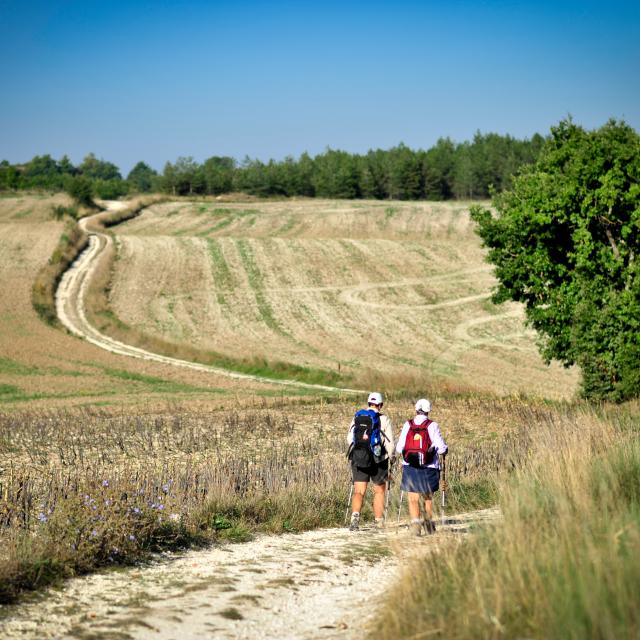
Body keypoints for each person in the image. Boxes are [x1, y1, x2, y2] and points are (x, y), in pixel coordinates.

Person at [396, 398, 448, 536]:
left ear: (416, 409)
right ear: (428, 411)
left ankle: (415, 526)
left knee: (413, 498)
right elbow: (441, 449)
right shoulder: (432, 425)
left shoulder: (408, 424)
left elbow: (399, 447)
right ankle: (429, 524)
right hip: (429, 466)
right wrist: (444, 448)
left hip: (410, 465)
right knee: (427, 497)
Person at [347, 392, 394, 531]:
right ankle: (378, 522)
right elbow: (389, 442)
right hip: (378, 460)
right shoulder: (384, 419)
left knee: (359, 491)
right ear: (381, 405)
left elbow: (350, 438)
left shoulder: (357, 416)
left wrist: (358, 451)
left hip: (359, 457)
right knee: (379, 491)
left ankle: (354, 520)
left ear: (368, 403)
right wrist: (391, 457)